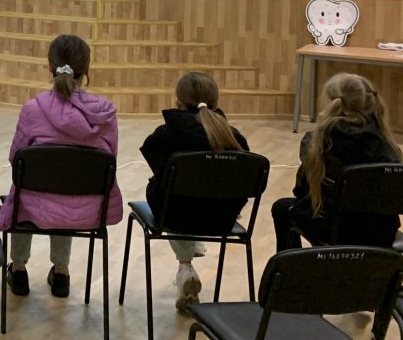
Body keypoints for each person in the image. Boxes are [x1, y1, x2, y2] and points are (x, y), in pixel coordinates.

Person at [0, 34, 123, 299]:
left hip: (35, 203)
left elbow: (15, 160)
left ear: (50, 66)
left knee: (23, 190)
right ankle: (62, 273)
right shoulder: (105, 113)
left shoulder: (32, 109)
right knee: (68, 187)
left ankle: (17, 270)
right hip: (88, 208)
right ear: (86, 69)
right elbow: (110, 160)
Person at [139, 72, 249, 313]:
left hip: (176, 215)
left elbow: (156, 166)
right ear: (216, 103)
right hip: (221, 219)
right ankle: (187, 262)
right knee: (183, 194)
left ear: (178, 102)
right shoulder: (234, 138)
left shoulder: (165, 135)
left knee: (169, 192)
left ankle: (185, 265)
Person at [272, 73, 401, 251]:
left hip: (335, 230)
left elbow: (302, 190)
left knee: (282, 208)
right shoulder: (387, 146)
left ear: (331, 103)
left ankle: (293, 266)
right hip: (381, 233)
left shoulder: (317, 142)